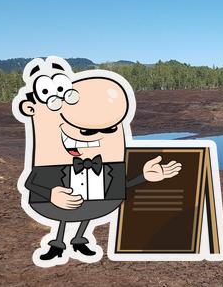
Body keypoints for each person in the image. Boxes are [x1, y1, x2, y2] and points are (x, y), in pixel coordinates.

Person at [13, 56, 182, 266]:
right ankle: (58, 244)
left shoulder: (109, 165)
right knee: (68, 210)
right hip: (57, 205)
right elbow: (31, 183)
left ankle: (79, 239)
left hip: (96, 205)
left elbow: (119, 187)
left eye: (110, 129)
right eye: (85, 130)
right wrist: (51, 194)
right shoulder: (49, 162)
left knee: (87, 209)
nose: (92, 136)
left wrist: (144, 177)